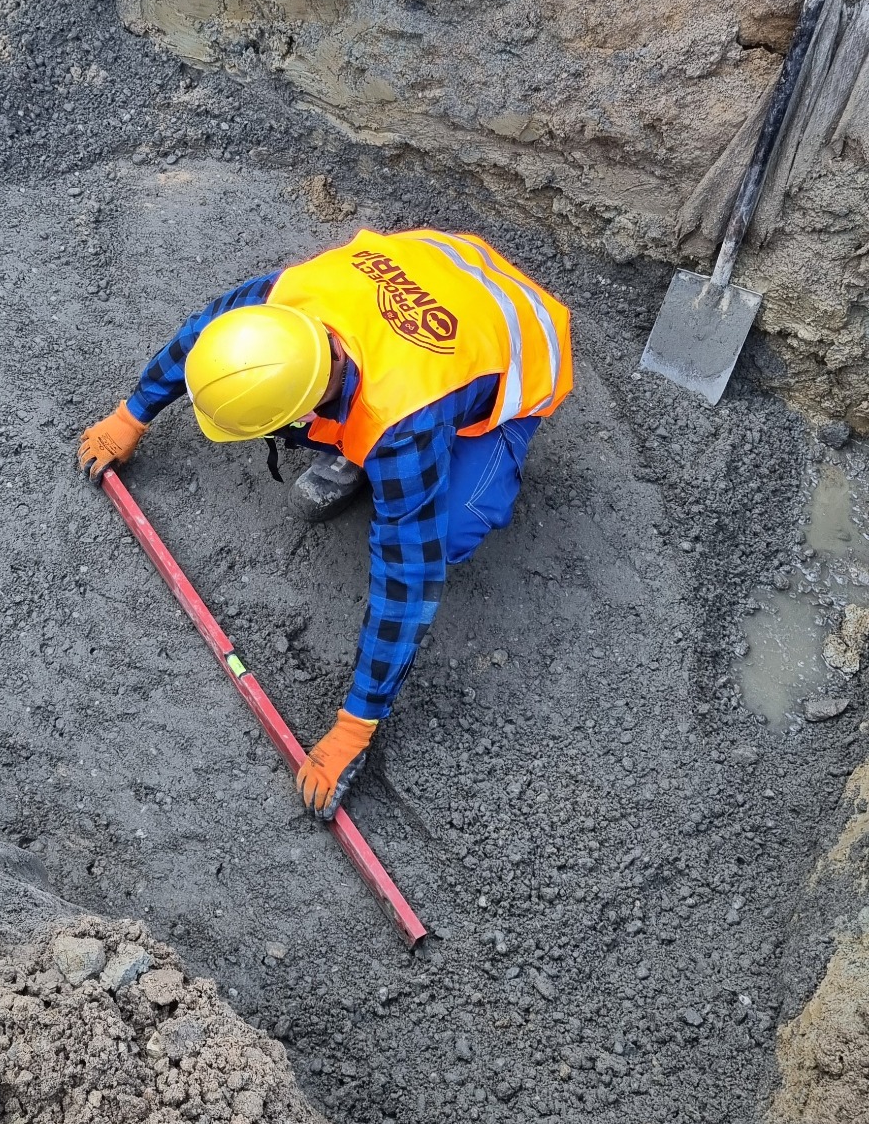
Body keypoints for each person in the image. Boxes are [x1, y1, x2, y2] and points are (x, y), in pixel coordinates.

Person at [78, 226, 573, 816]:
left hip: (522, 345)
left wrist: (357, 723)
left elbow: (405, 579)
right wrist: (132, 416)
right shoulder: (280, 309)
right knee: (344, 433)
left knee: (446, 529)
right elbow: (199, 341)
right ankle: (355, 445)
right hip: (442, 268)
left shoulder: (405, 419)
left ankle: (400, 456)